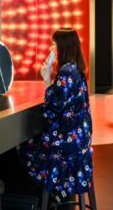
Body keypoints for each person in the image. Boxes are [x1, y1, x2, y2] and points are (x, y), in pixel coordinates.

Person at [19, 28, 93, 201]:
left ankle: (54, 192)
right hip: (82, 139)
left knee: (27, 147)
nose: (52, 48)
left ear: (62, 46)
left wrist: (46, 78)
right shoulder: (76, 68)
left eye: (54, 44)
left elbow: (53, 108)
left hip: (67, 141)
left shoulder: (66, 72)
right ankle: (61, 191)